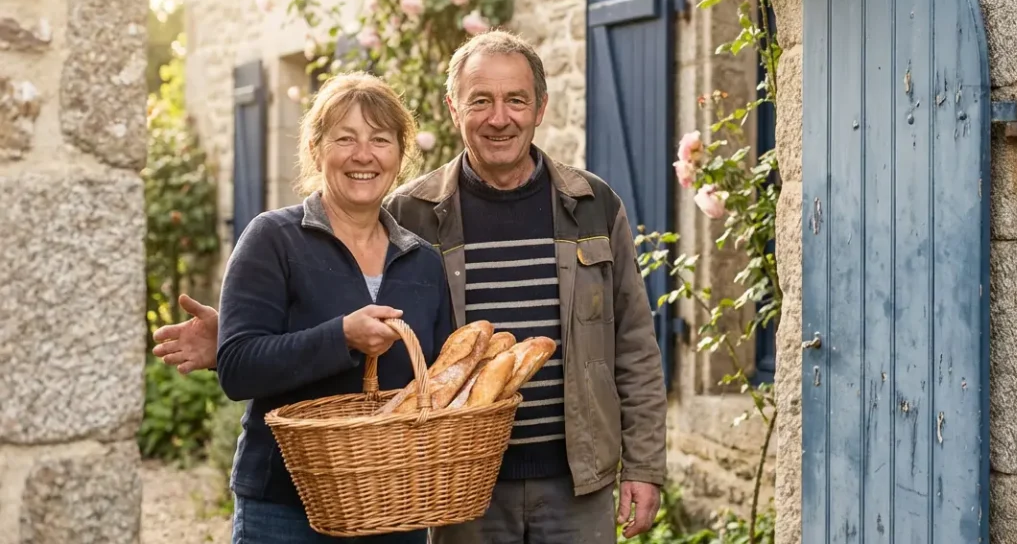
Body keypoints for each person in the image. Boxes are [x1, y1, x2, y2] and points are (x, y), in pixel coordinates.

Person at [153, 30, 667, 544]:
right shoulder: (412, 215)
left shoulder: (583, 206)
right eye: (480, 100)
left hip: (541, 480)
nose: (499, 117)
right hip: (431, 488)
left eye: (516, 100)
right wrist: (238, 344)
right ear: (453, 109)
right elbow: (395, 355)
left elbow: (633, 345)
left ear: (541, 107)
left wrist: (644, 463)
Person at [214, 72, 452, 544]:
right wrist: (340, 337)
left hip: (393, 508)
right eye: (346, 138)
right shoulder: (273, 239)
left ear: (400, 155)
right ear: (317, 148)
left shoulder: (423, 261)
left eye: (380, 140)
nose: (363, 155)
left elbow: (442, 385)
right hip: (284, 509)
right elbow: (237, 369)